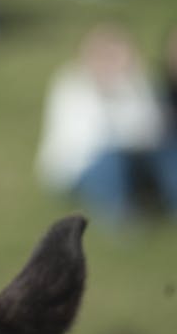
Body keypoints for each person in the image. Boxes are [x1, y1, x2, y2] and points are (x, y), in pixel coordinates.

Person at [35, 23, 177, 224]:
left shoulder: (137, 82)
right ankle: (121, 215)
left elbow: (154, 129)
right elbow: (89, 140)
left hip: (132, 158)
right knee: (112, 159)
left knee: (170, 151)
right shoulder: (71, 83)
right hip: (82, 168)